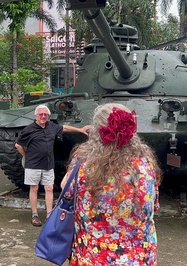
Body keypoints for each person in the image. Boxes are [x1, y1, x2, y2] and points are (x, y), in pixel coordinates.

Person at [61, 103, 161, 265]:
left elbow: (66, 194)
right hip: (139, 258)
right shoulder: (146, 165)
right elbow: (153, 205)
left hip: (93, 257)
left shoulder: (82, 164)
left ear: (97, 130)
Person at [15, 105, 91, 227]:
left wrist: (80, 130)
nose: (43, 116)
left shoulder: (51, 126)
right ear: (36, 116)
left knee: (49, 188)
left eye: (45, 114)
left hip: (48, 164)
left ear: (48, 116)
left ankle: (49, 214)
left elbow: (64, 128)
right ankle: (35, 215)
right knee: (34, 188)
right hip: (33, 164)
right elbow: (18, 145)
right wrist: (26, 156)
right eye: (41, 114)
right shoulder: (29, 129)